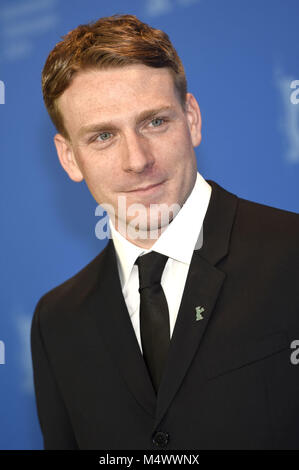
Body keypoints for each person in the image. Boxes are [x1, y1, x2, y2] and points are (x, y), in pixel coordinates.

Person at [31, 14, 299, 450]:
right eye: (103, 136)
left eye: (154, 122)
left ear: (191, 119)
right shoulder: (57, 321)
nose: (137, 160)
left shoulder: (291, 255)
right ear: (69, 158)